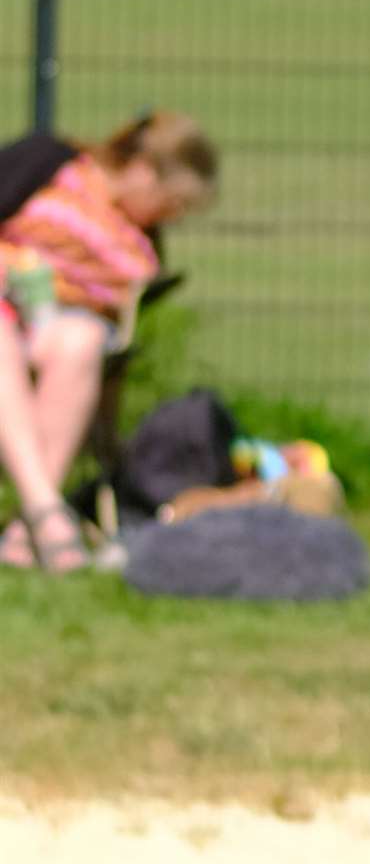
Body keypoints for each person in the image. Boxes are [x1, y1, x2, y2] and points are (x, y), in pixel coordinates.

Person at [0, 111, 217, 572]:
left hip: (53, 326)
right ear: (142, 170)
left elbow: (118, 308)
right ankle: (47, 515)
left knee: (79, 342)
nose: (171, 216)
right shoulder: (49, 161)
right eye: (172, 201)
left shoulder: (140, 241)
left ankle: (25, 529)